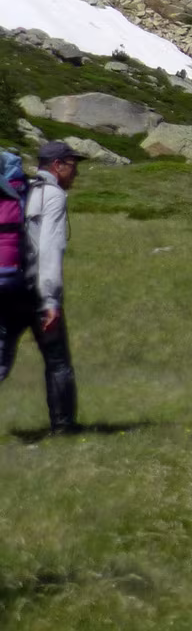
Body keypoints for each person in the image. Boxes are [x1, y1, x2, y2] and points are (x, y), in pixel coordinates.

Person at [0, 142, 80, 434]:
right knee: (57, 361)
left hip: (9, 284)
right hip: (35, 293)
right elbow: (49, 249)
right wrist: (50, 301)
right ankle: (64, 429)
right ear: (57, 165)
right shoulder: (52, 195)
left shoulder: (23, 191)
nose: (76, 173)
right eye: (73, 165)